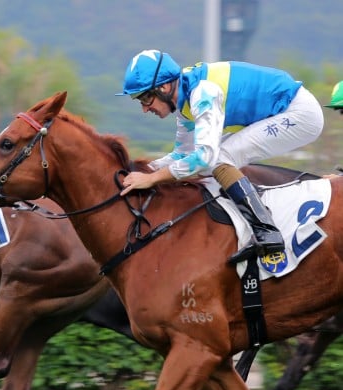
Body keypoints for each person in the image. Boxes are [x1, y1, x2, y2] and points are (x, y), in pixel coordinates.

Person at [117, 49, 324, 263]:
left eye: (146, 97)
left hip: (299, 114)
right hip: (282, 111)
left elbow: (205, 156)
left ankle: (267, 233)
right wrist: (142, 170)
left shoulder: (202, 93)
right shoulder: (184, 103)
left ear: (164, 87)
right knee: (208, 162)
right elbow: (182, 154)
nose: (144, 108)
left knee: (217, 158)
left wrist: (152, 178)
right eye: (139, 100)